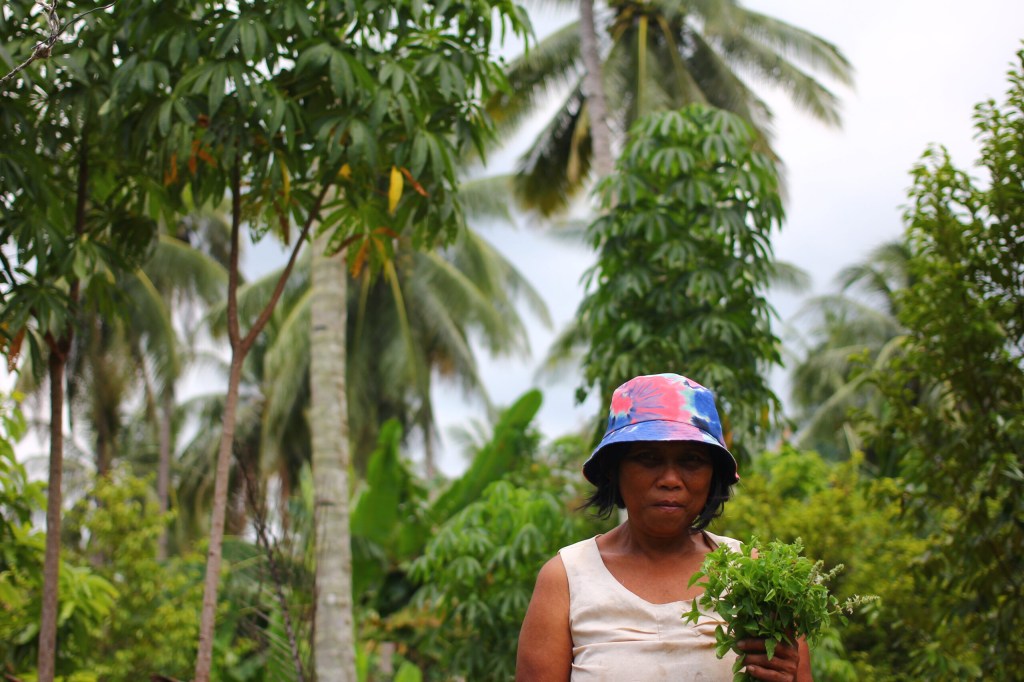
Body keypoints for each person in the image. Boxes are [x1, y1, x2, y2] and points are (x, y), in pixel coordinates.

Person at [516, 373, 812, 681]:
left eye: (691, 461)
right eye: (648, 458)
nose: (670, 480)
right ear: (615, 470)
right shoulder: (568, 578)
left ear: (713, 476)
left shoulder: (756, 577)